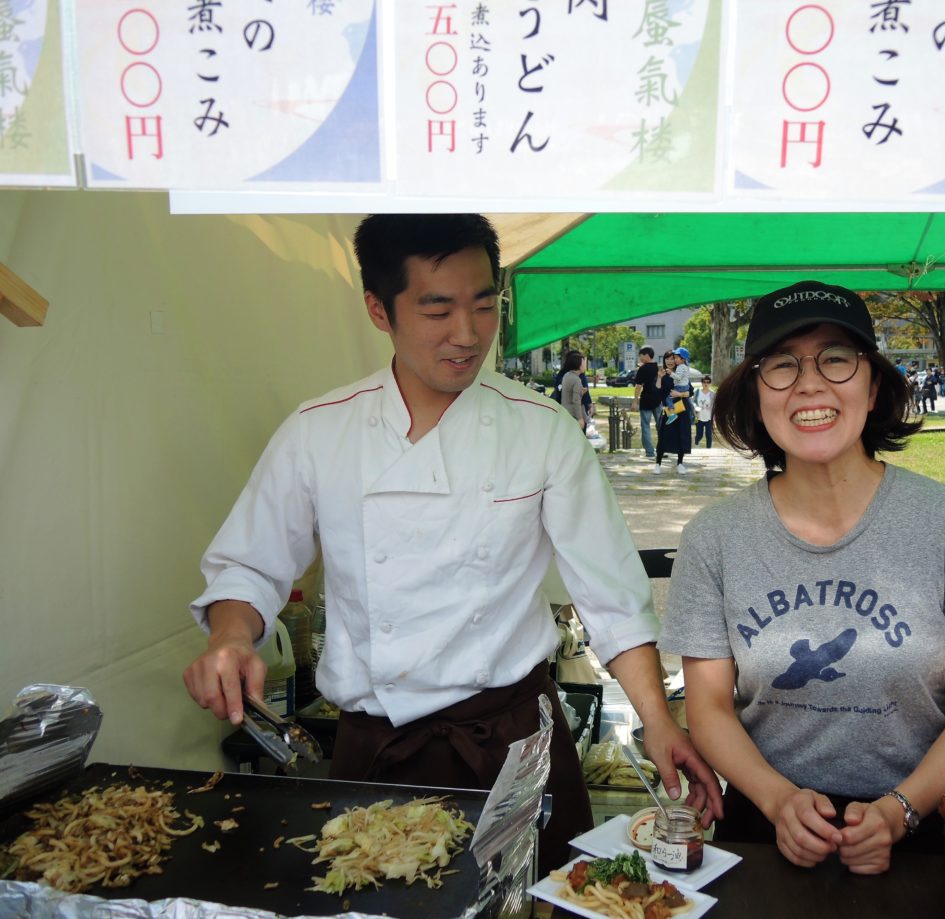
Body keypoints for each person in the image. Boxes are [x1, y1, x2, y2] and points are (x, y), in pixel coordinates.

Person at [182, 213, 722, 873]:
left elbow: (611, 596)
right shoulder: (319, 432)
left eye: (484, 305)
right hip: (375, 750)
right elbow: (249, 564)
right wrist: (232, 638)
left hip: (512, 742)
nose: (468, 335)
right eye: (438, 310)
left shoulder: (542, 431)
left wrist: (656, 719)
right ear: (379, 310)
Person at [658, 279, 945, 876]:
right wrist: (779, 802)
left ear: (873, 384)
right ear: (756, 392)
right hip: (760, 830)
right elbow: (709, 711)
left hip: (918, 829)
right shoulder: (714, 537)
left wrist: (899, 812)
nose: (809, 382)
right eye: (781, 364)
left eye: (836, 358)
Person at [653, 351, 692, 474]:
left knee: (682, 434)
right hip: (669, 410)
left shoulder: (681, 372)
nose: (670, 361)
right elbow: (657, 392)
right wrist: (659, 377)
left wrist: (679, 394)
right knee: (664, 435)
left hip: (681, 408)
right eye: (667, 359)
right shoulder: (662, 373)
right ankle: (658, 464)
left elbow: (690, 391)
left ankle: (680, 463)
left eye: (672, 359)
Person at [631, 346, 662, 459]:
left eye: (641, 355)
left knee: (645, 426)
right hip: (658, 400)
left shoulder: (642, 369)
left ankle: (649, 452)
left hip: (646, 400)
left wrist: (635, 401)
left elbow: (638, 386)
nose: (640, 358)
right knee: (661, 426)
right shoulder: (659, 368)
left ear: (647, 355)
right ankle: (662, 449)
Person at [560, 350, 589, 431]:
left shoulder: (567, 375)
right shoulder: (576, 380)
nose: (585, 365)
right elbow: (576, 400)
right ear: (578, 365)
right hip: (574, 416)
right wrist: (580, 418)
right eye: (583, 363)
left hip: (566, 414)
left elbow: (569, 393)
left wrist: (580, 392)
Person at [694, 375, 715, 448]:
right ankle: (696, 443)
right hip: (698, 417)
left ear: (710, 383)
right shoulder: (697, 392)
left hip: (709, 417)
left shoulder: (712, 393)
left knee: (709, 435)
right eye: (704, 382)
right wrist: (696, 407)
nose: (706, 384)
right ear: (702, 383)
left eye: (708, 382)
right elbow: (693, 402)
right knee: (699, 434)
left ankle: (708, 449)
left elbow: (715, 405)